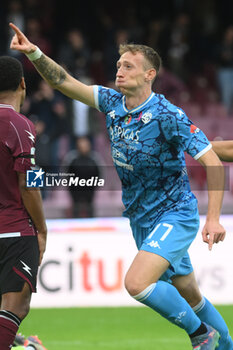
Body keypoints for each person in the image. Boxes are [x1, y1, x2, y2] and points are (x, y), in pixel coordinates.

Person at [9, 23, 233, 350]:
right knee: (189, 292)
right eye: (118, 65)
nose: (120, 70)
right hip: (141, 218)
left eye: (129, 66)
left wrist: (212, 218)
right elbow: (65, 82)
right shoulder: (113, 102)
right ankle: (223, 344)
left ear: (149, 74)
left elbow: (212, 160)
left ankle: (200, 335)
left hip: (175, 214)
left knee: (137, 283)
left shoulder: (168, 115)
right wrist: (35, 53)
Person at [0, 55, 47, 350]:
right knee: (16, 307)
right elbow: (30, 184)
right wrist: (42, 229)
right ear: (22, 84)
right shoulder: (21, 125)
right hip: (15, 230)